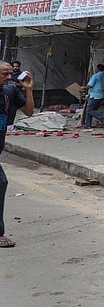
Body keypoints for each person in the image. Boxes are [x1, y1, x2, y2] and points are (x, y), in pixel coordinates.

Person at [1, 61, 34, 248]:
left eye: (10, 73)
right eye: (5, 74)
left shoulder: (11, 91)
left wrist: (28, 89)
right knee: (1, 182)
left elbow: (29, 112)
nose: (9, 77)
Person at [82, 64, 104, 129]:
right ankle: (87, 125)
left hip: (94, 96)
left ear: (97, 69)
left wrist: (83, 88)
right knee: (92, 110)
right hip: (101, 96)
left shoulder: (95, 76)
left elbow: (90, 85)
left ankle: (102, 117)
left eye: (96, 68)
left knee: (89, 110)